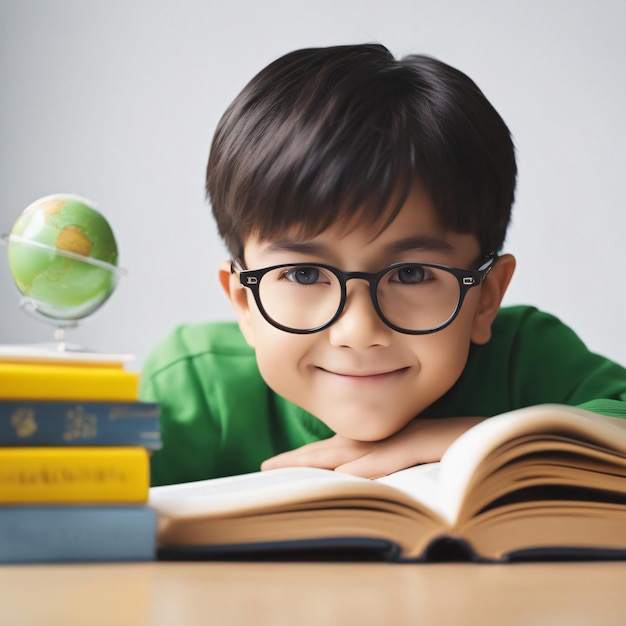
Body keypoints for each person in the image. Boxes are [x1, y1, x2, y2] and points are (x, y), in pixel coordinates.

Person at [140, 43, 626, 487]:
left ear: (485, 299)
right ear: (244, 303)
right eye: (304, 274)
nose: (358, 330)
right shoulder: (197, 388)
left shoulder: (527, 359)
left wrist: (477, 440)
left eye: (411, 273)